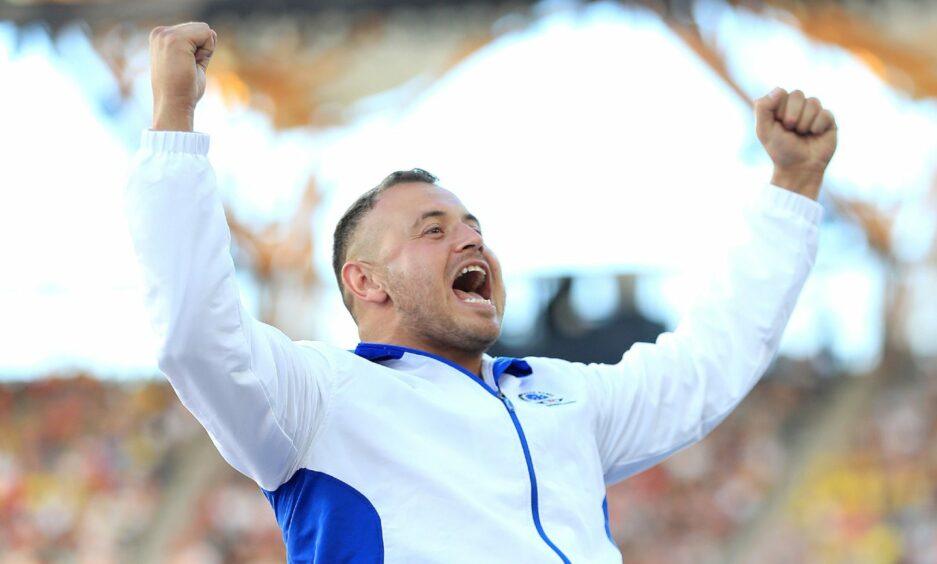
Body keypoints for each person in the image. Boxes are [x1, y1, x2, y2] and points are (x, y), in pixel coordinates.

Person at [127, 22, 836, 564]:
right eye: (432, 230)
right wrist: (173, 128)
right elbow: (194, 334)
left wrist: (793, 190)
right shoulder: (317, 400)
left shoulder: (563, 397)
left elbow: (706, 366)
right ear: (364, 281)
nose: (469, 241)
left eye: (473, 227)